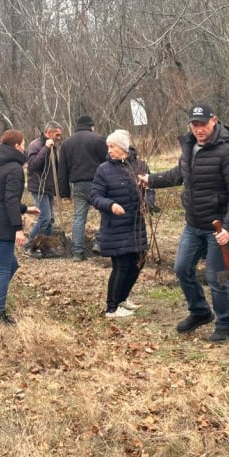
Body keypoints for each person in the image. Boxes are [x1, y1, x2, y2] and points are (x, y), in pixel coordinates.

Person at [138, 102, 229, 342]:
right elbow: (179, 174)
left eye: (203, 124)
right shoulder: (189, 146)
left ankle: (225, 325)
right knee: (181, 268)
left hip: (217, 228)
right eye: (194, 124)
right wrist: (151, 179)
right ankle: (199, 312)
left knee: (216, 277)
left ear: (214, 120)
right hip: (193, 224)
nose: (199, 129)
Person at [0, 129, 40, 324]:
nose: (24, 147)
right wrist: (18, 228)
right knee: (4, 269)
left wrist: (25, 209)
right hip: (2, 225)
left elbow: (3, 198)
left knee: (11, 265)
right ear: (16, 146)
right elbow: (9, 200)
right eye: (23, 144)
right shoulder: (14, 168)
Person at [91, 129, 152, 318]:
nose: (109, 150)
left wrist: (148, 203)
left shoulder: (140, 166)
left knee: (138, 263)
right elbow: (95, 196)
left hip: (136, 225)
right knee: (121, 265)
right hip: (114, 226)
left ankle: (123, 298)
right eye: (108, 146)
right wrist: (111, 205)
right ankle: (112, 307)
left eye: (113, 146)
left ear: (124, 148)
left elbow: (150, 189)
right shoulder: (103, 170)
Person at [58, 115, 109, 261]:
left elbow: (62, 170)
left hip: (78, 185)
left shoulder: (67, 143)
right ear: (91, 126)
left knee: (79, 218)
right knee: (106, 213)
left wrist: (64, 192)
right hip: (98, 183)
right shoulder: (98, 139)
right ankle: (99, 243)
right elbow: (107, 161)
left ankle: (77, 252)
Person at [24, 122, 62, 256]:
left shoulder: (54, 146)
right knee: (44, 218)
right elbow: (33, 165)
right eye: (57, 134)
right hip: (39, 187)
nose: (59, 137)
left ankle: (46, 246)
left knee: (50, 219)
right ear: (49, 133)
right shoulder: (36, 145)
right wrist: (45, 149)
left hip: (49, 186)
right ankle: (28, 246)